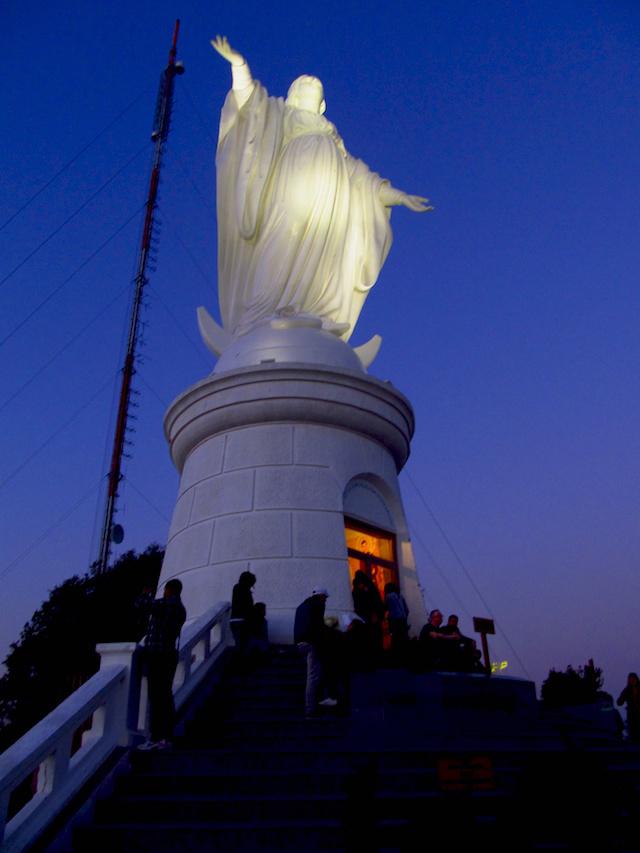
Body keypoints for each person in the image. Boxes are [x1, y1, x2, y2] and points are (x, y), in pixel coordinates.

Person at [210, 36, 431, 342]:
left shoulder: (333, 141)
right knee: (279, 243)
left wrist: (398, 196)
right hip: (288, 191)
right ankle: (259, 317)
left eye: (314, 91)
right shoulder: (280, 118)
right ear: (291, 97)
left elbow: (362, 179)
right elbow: (250, 107)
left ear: (323, 104)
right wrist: (240, 66)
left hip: (329, 205)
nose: (309, 88)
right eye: (302, 88)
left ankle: (317, 315)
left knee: (322, 260)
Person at [137, 579, 187, 750]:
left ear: (169, 590)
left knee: (157, 697)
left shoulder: (168, 605)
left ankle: (158, 736)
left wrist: (146, 594)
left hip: (158, 655)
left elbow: (143, 604)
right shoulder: (180, 608)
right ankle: (166, 736)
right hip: (168, 654)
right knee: (164, 695)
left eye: (165, 590)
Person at [294, 588, 334, 717]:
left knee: (312, 674)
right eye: (325, 598)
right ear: (321, 596)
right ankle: (310, 708)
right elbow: (318, 626)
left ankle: (315, 704)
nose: (326, 600)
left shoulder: (302, 606)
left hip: (300, 643)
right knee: (313, 677)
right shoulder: (318, 605)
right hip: (311, 643)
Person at [352, 570, 385, 663]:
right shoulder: (369, 586)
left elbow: (373, 601)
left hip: (366, 616)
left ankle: (373, 659)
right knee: (372, 638)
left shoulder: (365, 587)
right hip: (367, 616)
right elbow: (376, 601)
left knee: (370, 638)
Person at [230, 570, 256, 656]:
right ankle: (241, 663)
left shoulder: (236, 588)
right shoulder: (246, 592)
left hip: (234, 620)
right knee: (244, 645)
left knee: (239, 643)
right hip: (243, 621)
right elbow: (248, 607)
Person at [384, 582, 409, 660]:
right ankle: (404, 657)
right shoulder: (401, 596)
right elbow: (407, 610)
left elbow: (385, 608)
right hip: (403, 620)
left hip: (395, 621)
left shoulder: (388, 596)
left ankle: (396, 658)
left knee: (395, 639)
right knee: (403, 639)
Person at [617, 672, 640, 742]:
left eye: (634, 679)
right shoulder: (627, 690)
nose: (633, 681)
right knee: (633, 734)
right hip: (631, 716)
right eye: (631, 679)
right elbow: (619, 702)